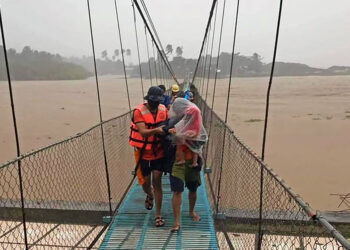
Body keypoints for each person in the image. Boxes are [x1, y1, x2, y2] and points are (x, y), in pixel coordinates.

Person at [129, 86, 168, 227]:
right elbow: (143, 132)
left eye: (157, 101)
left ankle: (158, 214)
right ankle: (149, 194)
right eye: (153, 101)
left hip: (158, 151)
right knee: (145, 183)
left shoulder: (164, 109)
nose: (155, 104)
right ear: (148, 99)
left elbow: (169, 123)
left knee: (157, 181)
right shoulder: (139, 111)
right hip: (143, 153)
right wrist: (157, 130)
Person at [167, 98, 208, 232]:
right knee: (177, 190)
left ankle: (191, 211)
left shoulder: (195, 120)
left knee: (193, 189)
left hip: (192, 162)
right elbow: (170, 137)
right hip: (177, 163)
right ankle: (177, 222)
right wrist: (173, 133)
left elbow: (200, 137)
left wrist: (181, 135)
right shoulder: (176, 122)